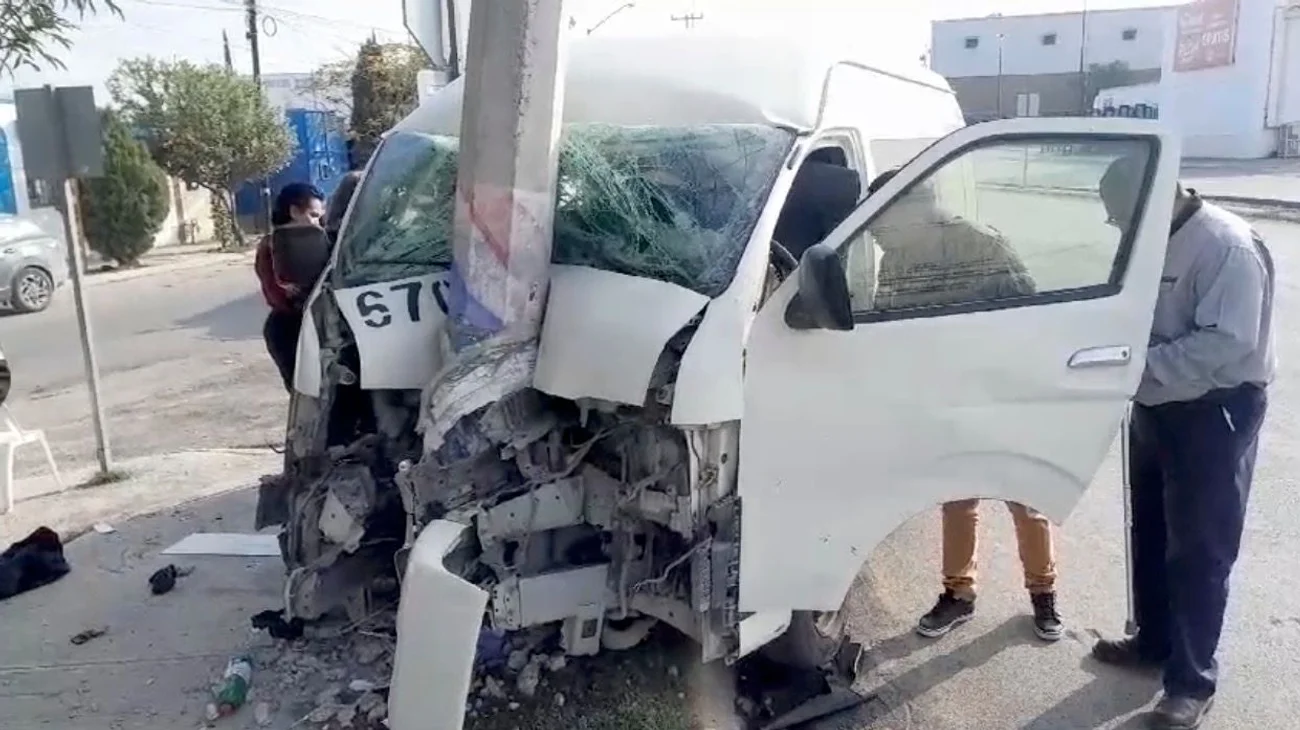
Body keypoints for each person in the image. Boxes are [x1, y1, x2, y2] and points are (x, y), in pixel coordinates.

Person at [1091, 158, 1274, 730]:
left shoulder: (1227, 246)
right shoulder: (1152, 238)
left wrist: (1133, 369)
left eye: (1123, 218)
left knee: (1199, 548)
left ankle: (1191, 682)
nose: (1120, 229)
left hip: (1213, 410)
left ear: (1157, 200)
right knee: (1148, 529)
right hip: (1154, 405)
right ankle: (1152, 642)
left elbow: (1227, 342)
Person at [864, 168, 1063, 642]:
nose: (874, 231)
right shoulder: (896, 258)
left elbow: (1029, 308)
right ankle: (959, 595)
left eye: (881, 218)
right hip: (946, 399)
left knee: (1026, 498)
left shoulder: (980, 244)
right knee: (958, 499)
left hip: (1002, 394)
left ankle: (1044, 595)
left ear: (914, 209)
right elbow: (888, 325)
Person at [255, 182, 325, 391]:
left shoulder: (325, 239)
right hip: (290, 330)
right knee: (306, 397)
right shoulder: (271, 247)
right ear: (294, 211)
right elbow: (274, 292)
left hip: (319, 324)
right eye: (313, 215)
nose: (317, 224)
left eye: (320, 217)